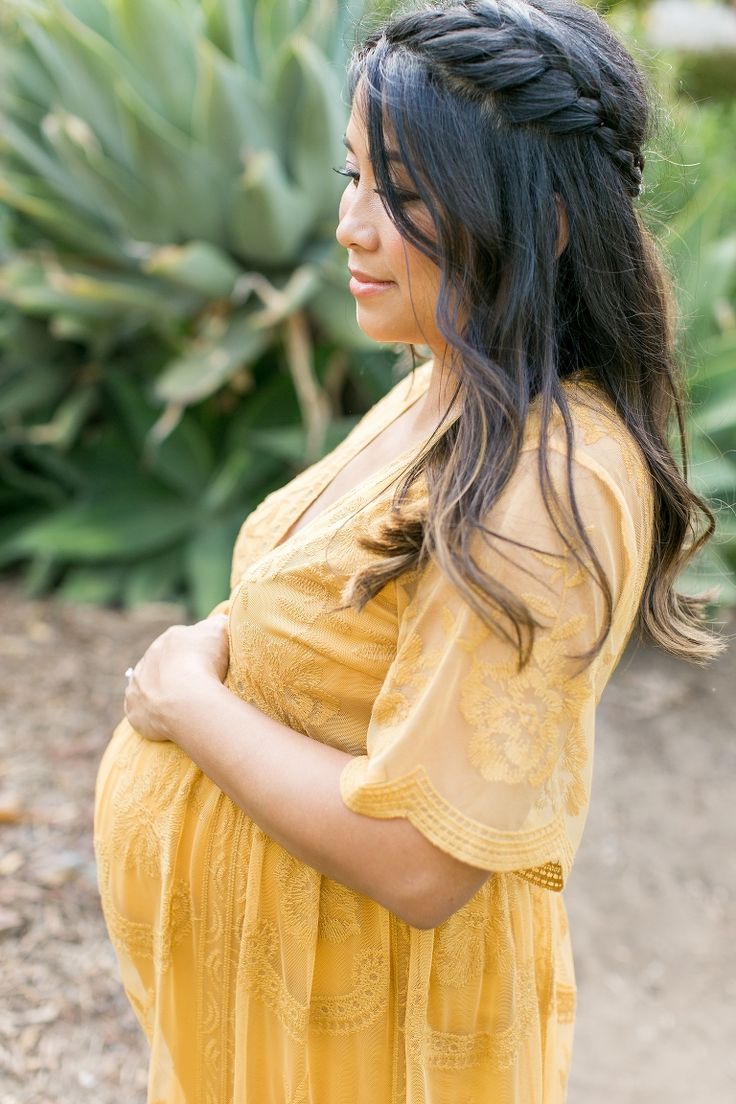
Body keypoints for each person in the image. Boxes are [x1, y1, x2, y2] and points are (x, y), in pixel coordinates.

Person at [93, 1, 725, 1101]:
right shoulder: (451, 379)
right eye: (352, 177)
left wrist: (185, 702)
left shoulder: (548, 483)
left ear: (546, 221)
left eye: (406, 193)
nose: (353, 225)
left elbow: (424, 862)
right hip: (290, 1006)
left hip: (370, 1039)